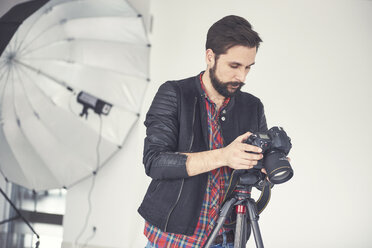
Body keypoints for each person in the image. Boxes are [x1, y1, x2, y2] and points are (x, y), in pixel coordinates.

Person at [138, 15, 268, 248]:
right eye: (234, 66)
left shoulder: (253, 106)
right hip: (172, 239)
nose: (242, 77)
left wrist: (266, 168)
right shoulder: (174, 94)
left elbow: (253, 175)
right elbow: (155, 162)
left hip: (228, 239)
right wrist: (224, 155)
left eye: (248, 67)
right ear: (210, 57)